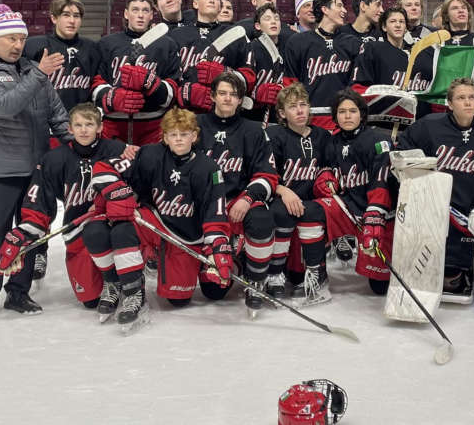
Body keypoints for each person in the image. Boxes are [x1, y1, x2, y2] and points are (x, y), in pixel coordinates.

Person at [0, 4, 69, 322]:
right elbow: (7, 106)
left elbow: (58, 115)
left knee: (32, 232)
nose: (17, 45)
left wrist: (79, 149)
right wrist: (39, 74)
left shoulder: (30, 71)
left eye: (21, 39)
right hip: (2, 169)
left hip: (36, 169)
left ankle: (18, 292)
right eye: (10, 38)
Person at [8, 103, 135, 315]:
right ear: (69, 129)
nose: (84, 129)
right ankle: (106, 281)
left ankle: (121, 283)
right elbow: (38, 200)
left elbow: (137, 185)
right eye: (78, 125)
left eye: (89, 124)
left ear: (100, 127)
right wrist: (25, 232)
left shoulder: (117, 151)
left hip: (112, 226)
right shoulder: (54, 159)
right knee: (89, 300)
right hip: (77, 232)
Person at [397, 78, 474, 299]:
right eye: (461, 98)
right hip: (433, 208)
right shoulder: (429, 125)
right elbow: (402, 151)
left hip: (467, 215)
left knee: (451, 276)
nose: (468, 103)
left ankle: (464, 263)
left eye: (472, 97)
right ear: (449, 104)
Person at [120, 107, 232, 308]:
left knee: (194, 296)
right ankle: (134, 288)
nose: (178, 139)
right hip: (159, 224)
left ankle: (223, 260)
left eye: (184, 134)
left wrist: (218, 249)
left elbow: (214, 210)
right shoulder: (150, 155)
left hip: (190, 235)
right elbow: (129, 182)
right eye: (173, 134)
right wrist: (120, 197)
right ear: (165, 137)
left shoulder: (208, 168)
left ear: (194, 136)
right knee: (123, 227)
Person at [299, 89, 395, 299]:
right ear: (335, 116)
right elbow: (326, 170)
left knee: (379, 288)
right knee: (310, 212)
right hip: (348, 206)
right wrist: (325, 179)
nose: (347, 116)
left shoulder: (379, 140)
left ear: (362, 114)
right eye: (342, 112)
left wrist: (376, 212)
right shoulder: (332, 142)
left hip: (378, 214)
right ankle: (318, 273)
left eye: (353, 111)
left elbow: (382, 179)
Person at [196, 73, 278, 314]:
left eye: (233, 95)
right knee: (213, 292)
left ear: (241, 100)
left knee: (262, 220)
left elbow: (268, 175)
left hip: (239, 201)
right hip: (205, 207)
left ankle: (256, 280)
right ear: (212, 96)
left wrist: (247, 198)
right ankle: (231, 258)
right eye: (222, 93)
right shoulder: (195, 126)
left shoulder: (254, 131)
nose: (228, 99)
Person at [266, 83, 333, 298]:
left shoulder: (323, 136)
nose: (300, 110)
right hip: (283, 202)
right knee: (279, 212)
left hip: (310, 205)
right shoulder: (275, 135)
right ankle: (274, 272)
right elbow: (264, 174)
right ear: (282, 113)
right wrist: (283, 191)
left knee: (297, 275)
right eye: (293, 106)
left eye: (303, 105)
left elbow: (329, 169)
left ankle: (317, 273)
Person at [93, 0, 181, 145]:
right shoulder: (107, 43)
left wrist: (152, 83)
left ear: (152, 15)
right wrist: (113, 97)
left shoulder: (167, 44)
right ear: (126, 14)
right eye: (135, 10)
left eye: (145, 11)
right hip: (113, 126)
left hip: (153, 126)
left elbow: (174, 90)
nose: (140, 15)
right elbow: (95, 83)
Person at [169, 0, 254, 113]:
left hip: (223, 112)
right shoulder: (176, 36)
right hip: (183, 113)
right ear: (195, 4)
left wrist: (226, 73)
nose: (212, 1)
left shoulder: (235, 35)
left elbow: (249, 76)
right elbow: (167, 73)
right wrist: (182, 92)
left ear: (220, 6)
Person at [282, 0, 363, 130]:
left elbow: (357, 85)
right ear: (324, 9)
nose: (344, 11)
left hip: (343, 119)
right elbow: (291, 84)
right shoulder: (297, 42)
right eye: (339, 6)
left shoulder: (353, 43)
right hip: (309, 120)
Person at [22, 0, 98, 114]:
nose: (72, 21)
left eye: (76, 16)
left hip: (81, 120)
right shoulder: (34, 46)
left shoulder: (91, 48)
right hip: (45, 119)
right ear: (54, 18)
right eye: (66, 15)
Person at [246, 4, 288, 122]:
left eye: (276, 18)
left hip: (280, 118)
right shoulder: (250, 48)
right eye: (267, 19)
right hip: (253, 118)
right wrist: (256, 93)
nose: (273, 22)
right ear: (258, 26)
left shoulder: (287, 49)